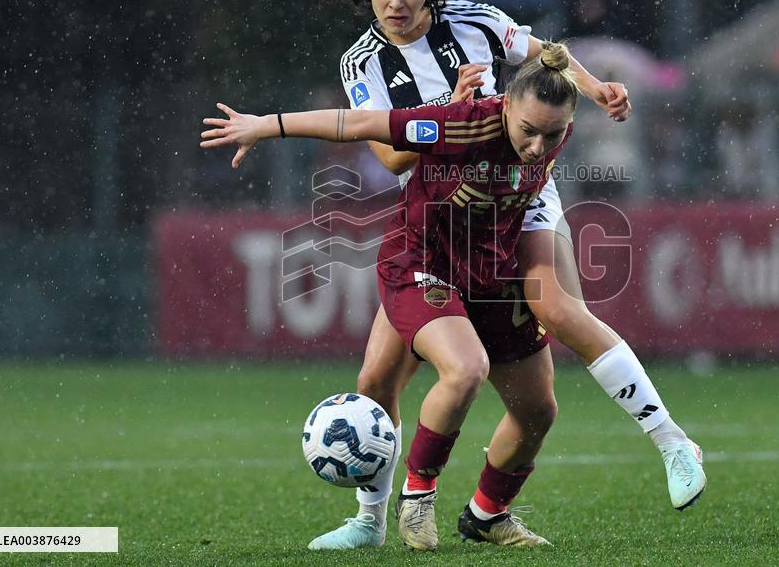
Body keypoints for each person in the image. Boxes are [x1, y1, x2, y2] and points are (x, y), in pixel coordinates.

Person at [306, 0, 705, 550]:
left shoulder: (475, 22)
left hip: (518, 190)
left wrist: (595, 88)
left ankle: (669, 442)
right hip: (441, 213)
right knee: (378, 382)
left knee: (553, 318)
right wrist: (453, 112)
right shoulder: (363, 60)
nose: (397, 4)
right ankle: (367, 521)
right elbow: (388, 159)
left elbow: (545, 52)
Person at [203, 43, 587, 549]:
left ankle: (487, 515)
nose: (538, 146)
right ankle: (413, 497)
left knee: (537, 410)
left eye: (552, 134)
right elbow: (356, 125)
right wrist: (265, 125)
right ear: (507, 106)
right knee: (466, 369)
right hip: (420, 264)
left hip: (489, 275)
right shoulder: (456, 122)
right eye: (529, 131)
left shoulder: (553, 129)